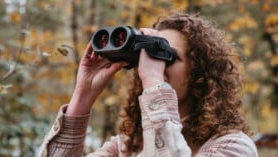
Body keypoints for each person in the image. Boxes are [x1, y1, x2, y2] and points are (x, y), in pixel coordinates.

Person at [38, 12, 258, 157]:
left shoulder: (233, 147)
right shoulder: (126, 147)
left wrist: (154, 81)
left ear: (201, 74)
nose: (157, 64)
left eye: (167, 56)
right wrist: (83, 96)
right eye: (151, 56)